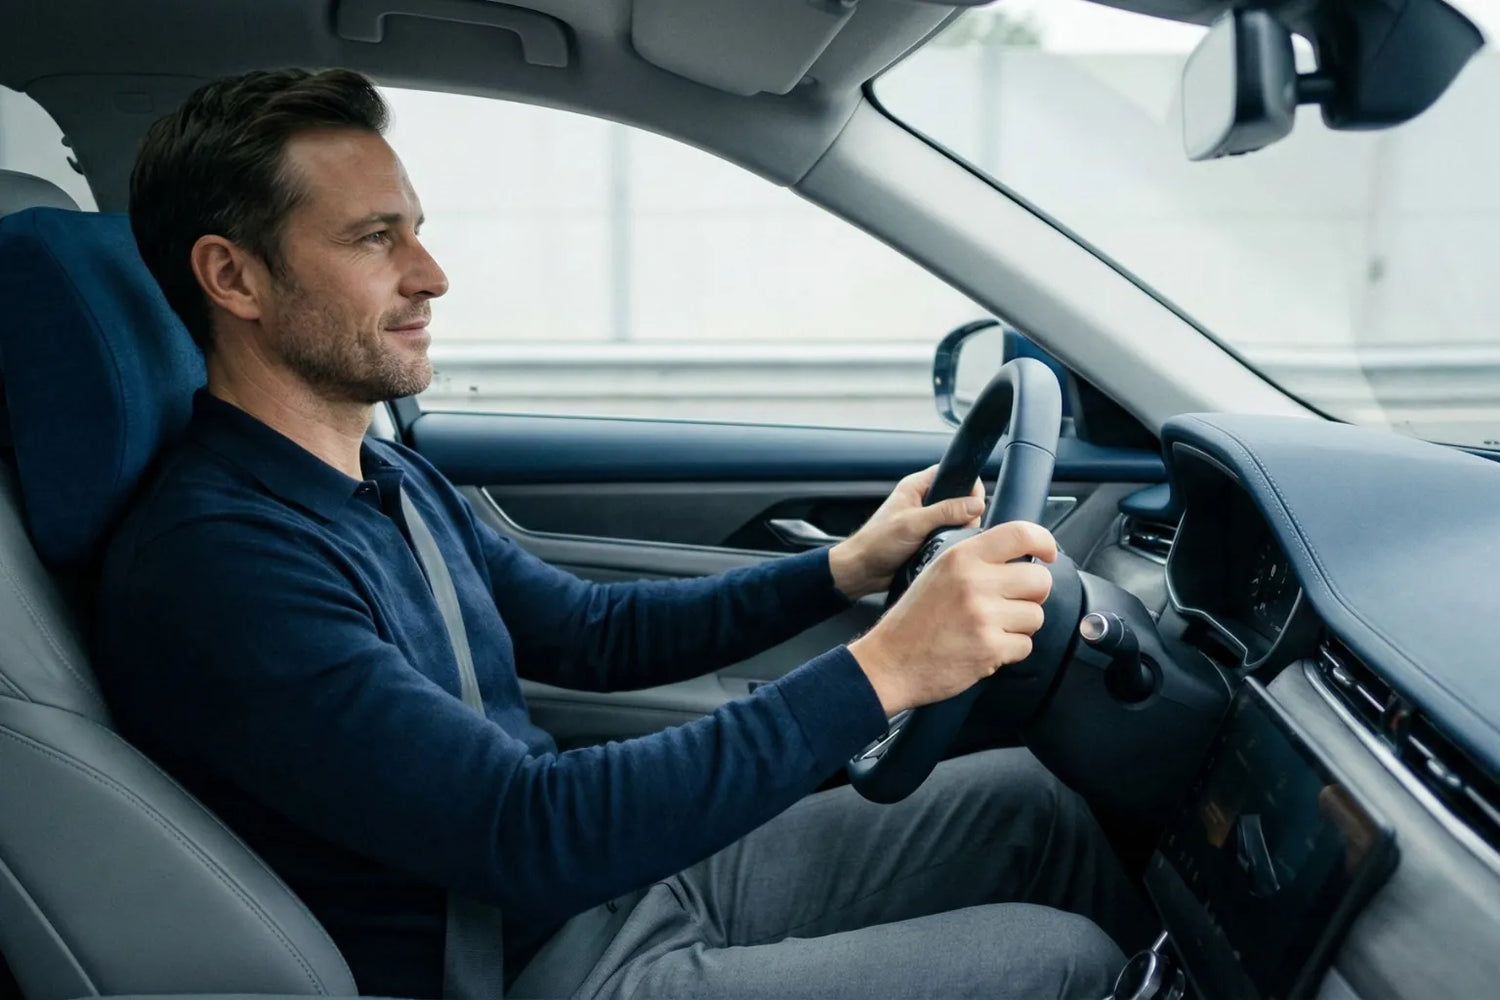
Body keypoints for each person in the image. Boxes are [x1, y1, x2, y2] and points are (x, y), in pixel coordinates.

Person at [94, 68, 1148, 1000]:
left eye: (415, 226)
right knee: (1058, 963)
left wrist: (841, 569)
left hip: (610, 891)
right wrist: (885, 667)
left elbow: (592, 630)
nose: (432, 274)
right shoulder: (219, 567)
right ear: (234, 278)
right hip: (531, 966)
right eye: (376, 238)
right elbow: (526, 829)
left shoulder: (380, 474)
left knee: (1028, 806)